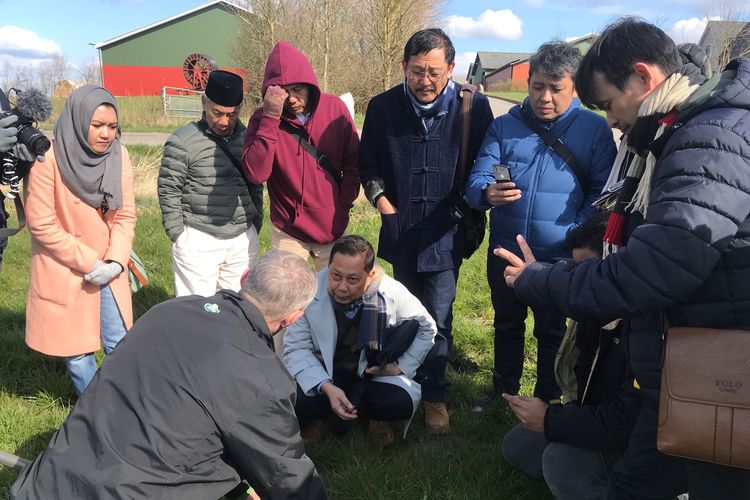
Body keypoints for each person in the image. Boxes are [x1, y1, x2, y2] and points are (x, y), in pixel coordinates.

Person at [497, 18, 750, 499]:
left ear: (642, 76)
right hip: (689, 368)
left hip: (716, 378)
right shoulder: (680, 133)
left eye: (610, 104)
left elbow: (652, 271)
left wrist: (540, 280)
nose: (611, 121)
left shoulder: (707, 141)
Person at [11, 251, 327, 500]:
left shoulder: (170, 310)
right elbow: (287, 476)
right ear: (293, 318)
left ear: (245, 278)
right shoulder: (264, 380)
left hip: (51, 479)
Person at [465, 40, 616, 411]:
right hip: (507, 250)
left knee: (551, 330)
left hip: (558, 257)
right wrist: (487, 194)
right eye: (537, 86)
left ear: (574, 88)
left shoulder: (594, 131)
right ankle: (502, 391)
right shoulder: (505, 127)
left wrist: (573, 235)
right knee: (506, 324)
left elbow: (603, 194)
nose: (545, 97)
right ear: (529, 82)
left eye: (556, 88)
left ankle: (547, 396)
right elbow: (475, 179)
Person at [356, 28, 493, 433]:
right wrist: (384, 204)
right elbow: (369, 166)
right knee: (395, 313)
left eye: (435, 72)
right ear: (404, 67)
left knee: (439, 316)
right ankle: (395, 385)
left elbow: (483, 164)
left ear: (451, 68)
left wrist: (468, 206)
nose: (426, 81)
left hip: (447, 232)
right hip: (401, 229)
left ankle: (434, 394)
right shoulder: (381, 108)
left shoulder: (473, 109)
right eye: (417, 71)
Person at [501, 212, 641, 499]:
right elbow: (566, 288)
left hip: (635, 440)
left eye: (588, 271)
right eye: (575, 272)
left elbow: (629, 420)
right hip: (594, 416)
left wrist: (551, 420)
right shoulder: (594, 306)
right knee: (517, 446)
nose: (578, 283)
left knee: (559, 460)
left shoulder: (644, 328)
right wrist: (537, 276)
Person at [24, 85, 136, 395]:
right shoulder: (48, 157)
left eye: (112, 126)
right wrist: (90, 261)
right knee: (77, 352)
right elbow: (42, 224)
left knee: (121, 343)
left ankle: (125, 410)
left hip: (110, 268)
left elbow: (125, 216)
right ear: (78, 119)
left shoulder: (119, 155)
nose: (106, 134)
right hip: (67, 266)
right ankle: (95, 410)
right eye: (97, 125)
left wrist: (115, 261)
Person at [283, 235, 437, 445]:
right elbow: (296, 347)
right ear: (328, 266)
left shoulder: (390, 291)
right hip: (322, 371)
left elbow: (427, 327)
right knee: (290, 395)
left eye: (352, 279)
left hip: (369, 376)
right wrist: (325, 386)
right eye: (335, 275)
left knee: (397, 401)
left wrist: (400, 368)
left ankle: (374, 417)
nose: (342, 287)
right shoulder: (309, 290)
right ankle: (316, 417)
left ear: (370, 274)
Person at [242, 41, 360, 270]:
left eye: (298, 90)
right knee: (286, 298)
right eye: (284, 93)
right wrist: (270, 118)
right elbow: (256, 174)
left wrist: (343, 206)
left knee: (336, 296)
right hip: (288, 230)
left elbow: (354, 164)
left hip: (332, 225)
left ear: (309, 86)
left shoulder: (334, 109)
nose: (293, 99)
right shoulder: (262, 119)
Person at [159, 69, 263, 297]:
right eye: (217, 113)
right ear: (204, 103)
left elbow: (256, 182)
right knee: (196, 313)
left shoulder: (248, 138)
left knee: (238, 309)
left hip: (242, 239)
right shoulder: (182, 141)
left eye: (232, 114)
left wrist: (255, 222)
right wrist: (179, 235)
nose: (225, 121)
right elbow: (168, 189)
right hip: (198, 239)